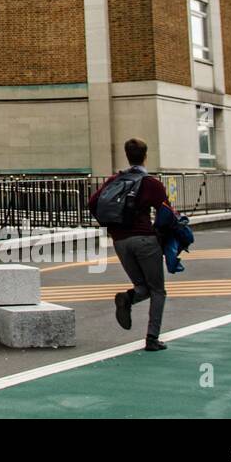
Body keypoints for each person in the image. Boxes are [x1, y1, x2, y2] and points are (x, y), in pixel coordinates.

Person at [88, 138, 173, 351]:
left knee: (142, 287)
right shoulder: (151, 183)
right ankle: (152, 338)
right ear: (145, 155)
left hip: (120, 241)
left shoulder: (114, 180)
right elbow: (167, 213)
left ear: (127, 155)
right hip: (145, 240)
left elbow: (92, 202)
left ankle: (127, 298)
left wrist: (112, 226)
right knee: (157, 290)